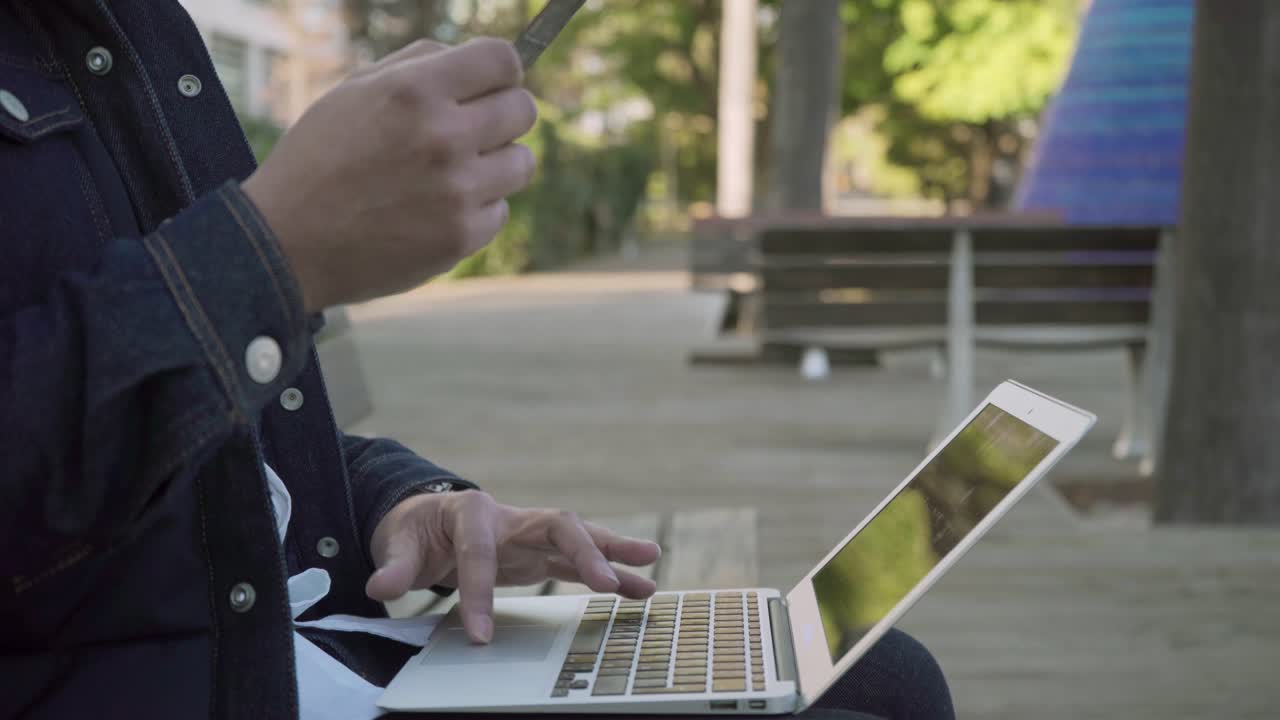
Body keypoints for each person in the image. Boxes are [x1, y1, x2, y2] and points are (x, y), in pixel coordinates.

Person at [0, 3, 954, 719]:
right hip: (176, 679)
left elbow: (224, 434)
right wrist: (273, 254)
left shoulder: (132, 30)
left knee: (877, 670)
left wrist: (404, 505)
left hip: (290, 632)